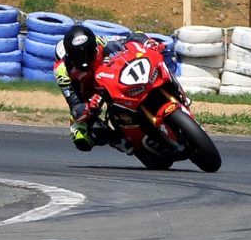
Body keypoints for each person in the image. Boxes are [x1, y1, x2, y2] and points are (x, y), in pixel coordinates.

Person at [53, 23, 188, 153]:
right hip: (88, 96)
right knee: (80, 136)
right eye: (77, 55)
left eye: (87, 51)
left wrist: (148, 42)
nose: (84, 58)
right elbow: (75, 107)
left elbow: (133, 36)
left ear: (93, 45)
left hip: (110, 78)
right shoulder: (62, 71)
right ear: (69, 56)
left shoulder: (101, 41)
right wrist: (88, 108)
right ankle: (119, 141)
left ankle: (179, 96)